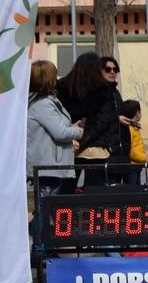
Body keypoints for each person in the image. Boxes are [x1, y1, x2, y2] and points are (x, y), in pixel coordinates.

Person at [59, 52, 131, 188]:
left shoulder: (63, 87)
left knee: (65, 192)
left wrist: (75, 141)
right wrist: (82, 142)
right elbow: (101, 123)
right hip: (94, 149)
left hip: (69, 146)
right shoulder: (103, 90)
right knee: (93, 194)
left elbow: (59, 117)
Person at [27, 61, 83, 232]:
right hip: (48, 166)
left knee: (46, 210)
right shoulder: (42, 104)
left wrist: (71, 127)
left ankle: (43, 247)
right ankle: (41, 250)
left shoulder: (47, 101)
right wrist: (78, 131)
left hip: (51, 164)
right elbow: (59, 132)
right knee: (45, 211)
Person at [119, 99, 146, 186]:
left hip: (136, 165)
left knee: (136, 187)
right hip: (132, 166)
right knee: (132, 188)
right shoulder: (130, 129)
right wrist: (144, 158)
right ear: (137, 113)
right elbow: (130, 150)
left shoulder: (134, 127)